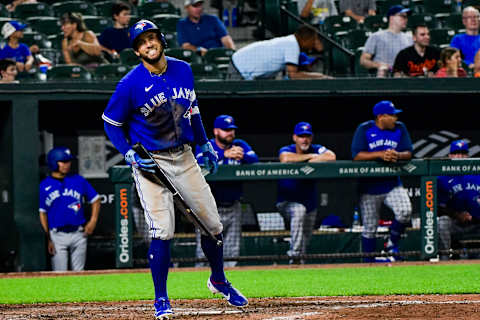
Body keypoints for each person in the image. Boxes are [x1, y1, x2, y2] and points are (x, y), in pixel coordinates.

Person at [102, 19, 248, 319]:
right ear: (136, 50)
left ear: (161, 40)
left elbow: (192, 109)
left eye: (152, 38)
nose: (148, 44)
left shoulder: (183, 69)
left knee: (213, 226)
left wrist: (205, 142)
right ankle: (161, 299)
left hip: (184, 157)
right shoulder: (129, 83)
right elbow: (111, 123)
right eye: (142, 42)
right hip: (151, 163)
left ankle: (219, 280)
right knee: (163, 231)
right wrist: (129, 154)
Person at [351, 100, 413, 263]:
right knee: (370, 228)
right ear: (381, 117)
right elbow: (357, 155)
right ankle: (368, 261)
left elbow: (409, 152)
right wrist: (379, 154)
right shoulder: (365, 129)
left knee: (405, 210)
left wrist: (397, 155)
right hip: (368, 187)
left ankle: (391, 244)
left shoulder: (400, 128)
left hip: (392, 183)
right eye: (391, 115)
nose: (395, 118)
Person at [194, 115, 259, 268]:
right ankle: (199, 279)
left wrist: (243, 155)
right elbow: (198, 161)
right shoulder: (207, 144)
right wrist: (223, 155)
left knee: (232, 251)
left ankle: (226, 282)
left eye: (232, 130)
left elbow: (254, 159)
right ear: (216, 131)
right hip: (208, 207)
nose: (230, 133)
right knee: (204, 250)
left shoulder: (239, 145)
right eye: (226, 130)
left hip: (233, 205)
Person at [277, 122, 336, 264]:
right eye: (301, 136)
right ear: (294, 137)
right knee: (299, 211)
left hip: (310, 204)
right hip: (287, 202)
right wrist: (311, 157)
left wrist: (311, 157)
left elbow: (331, 156)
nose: (305, 140)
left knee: (305, 239)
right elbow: (285, 158)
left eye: (307, 136)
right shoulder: (288, 149)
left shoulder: (317, 148)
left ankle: (298, 263)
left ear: (312, 137)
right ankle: (294, 255)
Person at [39, 147, 101, 271]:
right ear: (53, 163)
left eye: (68, 161)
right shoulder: (44, 185)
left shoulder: (78, 180)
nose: (67, 165)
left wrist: (93, 221)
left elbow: (96, 199)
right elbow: (43, 213)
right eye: (63, 162)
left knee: (79, 274)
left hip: (78, 233)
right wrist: (48, 239)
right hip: (57, 235)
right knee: (59, 275)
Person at [229, 25, 328, 80]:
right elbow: (293, 75)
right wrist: (320, 77)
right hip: (240, 68)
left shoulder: (290, 42)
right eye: (314, 41)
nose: (314, 44)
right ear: (306, 39)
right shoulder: (292, 44)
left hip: (244, 69)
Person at [437, 140, 480, 260]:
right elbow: (438, 207)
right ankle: (445, 258)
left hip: (477, 222)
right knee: (442, 222)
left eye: (463, 153)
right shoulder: (442, 178)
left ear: (468, 156)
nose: (460, 156)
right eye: (456, 153)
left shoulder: (478, 174)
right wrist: (456, 214)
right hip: (455, 223)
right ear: (450, 156)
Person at [360, 5, 413, 77]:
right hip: (385, 77)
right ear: (391, 18)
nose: (405, 19)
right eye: (402, 16)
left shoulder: (409, 38)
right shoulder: (376, 36)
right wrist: (379, 65)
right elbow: (363, 60)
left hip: (405, 77)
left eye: (406, 17)